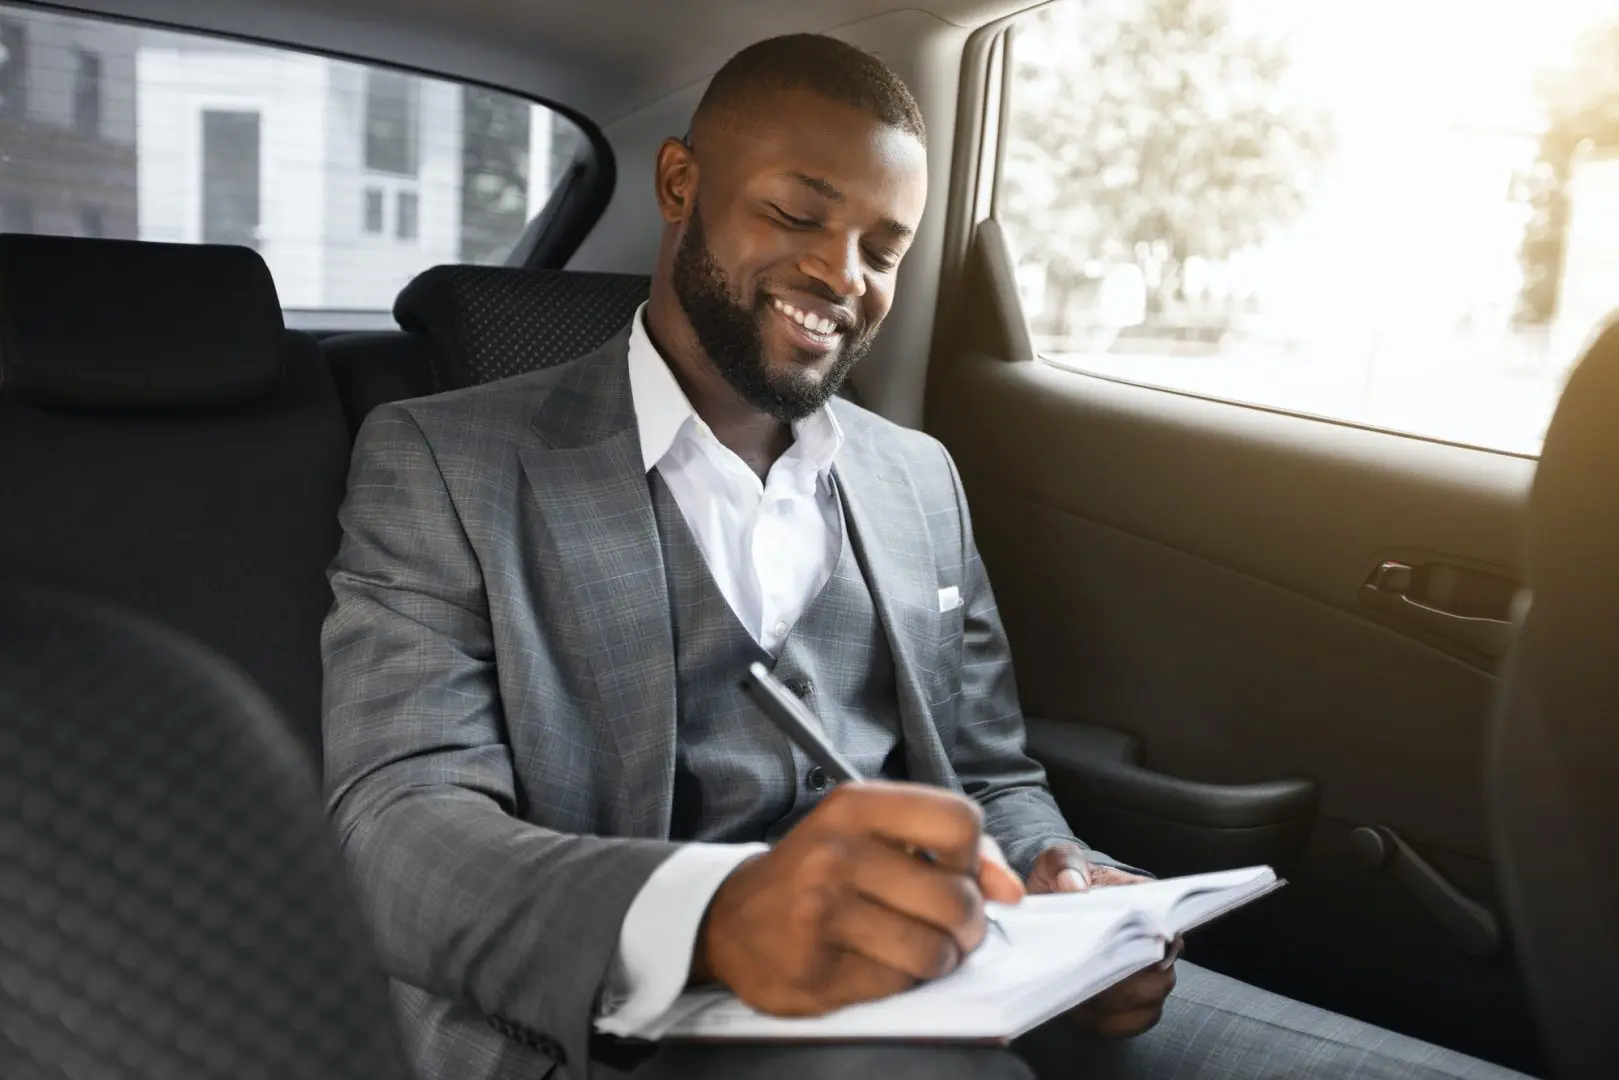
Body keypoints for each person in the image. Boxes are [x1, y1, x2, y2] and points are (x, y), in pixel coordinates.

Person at [322, 33, 1529, 1080]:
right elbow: (397, 831)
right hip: (622, 1029)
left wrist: (1063, 885)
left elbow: (990, 776)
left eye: (882, 247)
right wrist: (715, 914)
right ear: (681, 183)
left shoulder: (915, 478)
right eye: (796, 214)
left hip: (966, 984)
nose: (840, 277)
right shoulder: (445, 459)